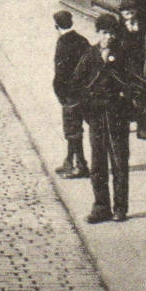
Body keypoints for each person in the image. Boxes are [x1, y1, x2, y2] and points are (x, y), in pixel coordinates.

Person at [79, 12, 141, 223]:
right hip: (96, 114)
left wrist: (128, 101)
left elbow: (136, 83)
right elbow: (77, 82)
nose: (109, 37)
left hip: (116, 114)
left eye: (112, 33)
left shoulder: (123, 55)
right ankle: (100, 207)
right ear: (98, 33)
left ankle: (120, 208)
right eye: (105, 33)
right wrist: (86, 109)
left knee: (119, 162)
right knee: (97, 164)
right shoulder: (90, 55)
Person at [51, 10, 90, 179]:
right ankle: (68, 161)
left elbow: (60, 72)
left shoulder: (62, 43)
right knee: (74, 127)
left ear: (56, 26)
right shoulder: (83, 40)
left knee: (72, 129)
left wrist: (59, 92)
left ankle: (81, 166)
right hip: (84, 91)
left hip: (69, 93)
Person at [116, 2, 146, 140]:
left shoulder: (142, 27)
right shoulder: (118, 28)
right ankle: (124, 125)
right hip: (123, 67)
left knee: (141, 97)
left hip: (139, 67)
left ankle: (142, 128)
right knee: (125, 98)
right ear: (121, 14)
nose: (130, 16)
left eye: (132, 13)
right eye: (126, 13)